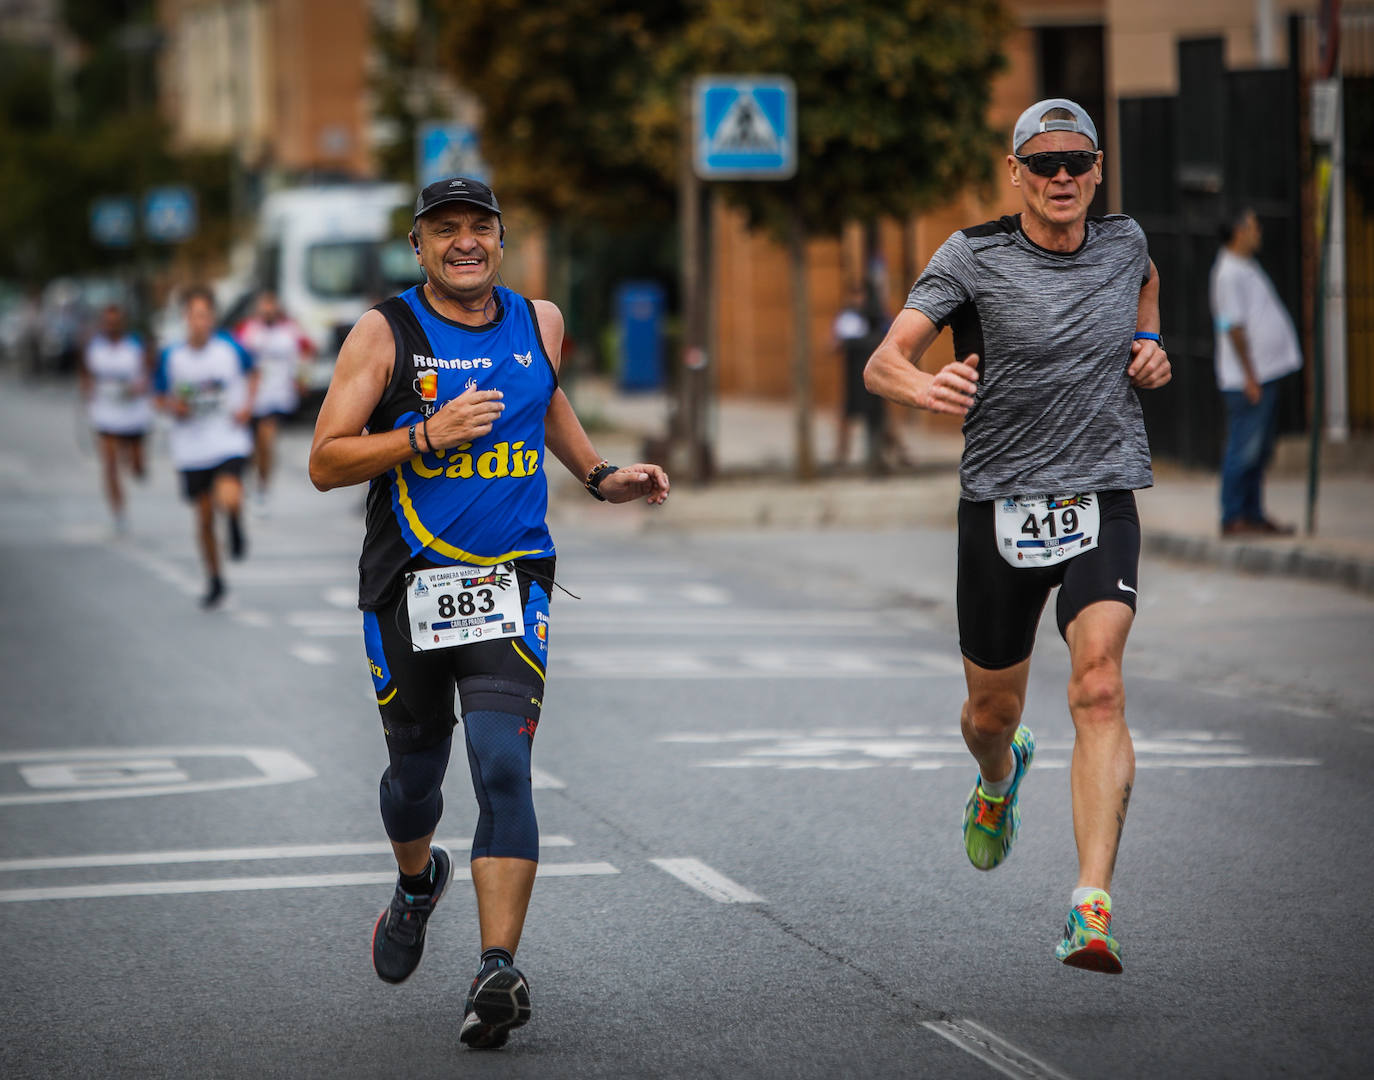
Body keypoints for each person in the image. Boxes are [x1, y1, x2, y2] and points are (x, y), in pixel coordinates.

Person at [308, 176, 669, 1049]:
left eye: (479, 227)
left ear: (501, 239)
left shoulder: (536, 320)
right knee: (415, 783)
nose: (464, 242)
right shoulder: (384, 333)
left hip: (512, 583)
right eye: (445, 230)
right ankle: (416, 879)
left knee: (503, 766)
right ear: (419, 246)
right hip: (409, 586)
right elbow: (325, 459)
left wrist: (598, 475)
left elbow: (544, 398)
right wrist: (425, 436)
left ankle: (495, 967)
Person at [864, 99, 1171, 974]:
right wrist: (920, 389)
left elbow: (1146, 277)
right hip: (999, 503)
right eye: (1044, 164)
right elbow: (885, 358)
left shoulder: (1123, 243)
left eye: (1078, 161)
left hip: (1100, 492)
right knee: (988, 713)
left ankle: (1090, 905)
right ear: (1016, 174)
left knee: (1100, 686)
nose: (1063, 177)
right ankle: (999, 778)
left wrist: (1148, 339)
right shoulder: (973, 255)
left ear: (1099, 170)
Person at [155, 286, 258, 608]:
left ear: (212, 317)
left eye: (205, 315)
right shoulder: (172, 356)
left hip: (228, 437)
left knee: (228, 492)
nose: (200, 322)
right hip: (191, 446)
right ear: (186, 318)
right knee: (202, 519)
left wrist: (247, 407)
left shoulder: (229, 349)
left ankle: (235, 521)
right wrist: (174, 406)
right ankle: (215, 579)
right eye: (194, 316)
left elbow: (254, 374)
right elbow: (158, 395)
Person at [1209, 208, 1301, 537]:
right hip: (1247, 380)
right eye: (1251, 225)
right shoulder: (1229, 272)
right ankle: (1234, 517)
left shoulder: (1243, 266)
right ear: (1237, 231)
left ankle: (1253, 514)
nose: (1257, 231)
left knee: (1259, 451)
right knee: (1243, 449)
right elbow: (1232, 326)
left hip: (1262, 374)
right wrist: (1250, 375)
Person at [235, 290, 313, 513]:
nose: (268, 310)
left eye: (271, 305)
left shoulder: (290, 330)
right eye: (264, 306)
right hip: (250, 399)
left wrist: (302, 380)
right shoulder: (246, 329)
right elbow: (233, 358)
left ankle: (263, 487)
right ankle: (253, 477)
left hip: (278, 397)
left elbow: (307, 352)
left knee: (266, 441)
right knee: (251, 448)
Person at [79, 303, 154, 532]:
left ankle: (137, 462)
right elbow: (85, 373)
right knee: (110, 464)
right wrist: (87, 388)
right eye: (107, 322)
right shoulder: (94, 346)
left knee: (137, 468)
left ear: (123, 323)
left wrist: (142, 385)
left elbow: (151, 371)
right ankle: (118, 512)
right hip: (105, 413)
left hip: (133, 414)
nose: (111, 326)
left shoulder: (136, 345)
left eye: (116, 322)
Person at [833, 283, 910, 474]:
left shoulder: (878, 317)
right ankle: (841, 455)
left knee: (882, 418)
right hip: (853, 377)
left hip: (875, 378)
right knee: (847, 417)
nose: (858, 299)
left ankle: (899, 453)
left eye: (861, 294)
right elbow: (837, 342)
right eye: (855, 295)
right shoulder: (849, 317)